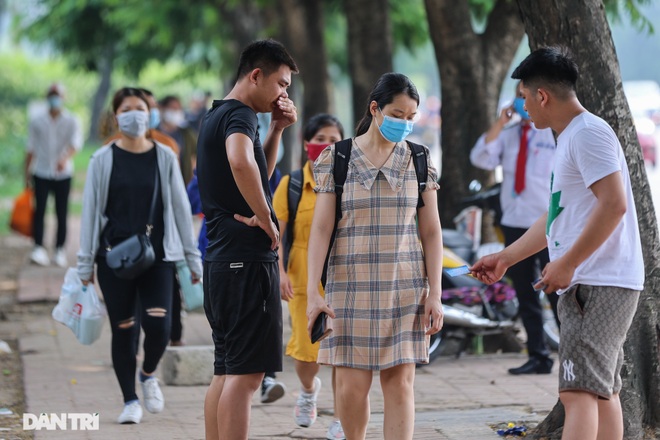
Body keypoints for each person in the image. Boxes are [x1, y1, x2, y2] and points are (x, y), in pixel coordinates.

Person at [471, 46, 643, 440]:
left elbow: (614, 205)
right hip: (599, 281)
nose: (524, 106)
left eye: (526, 97)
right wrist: (506, 257)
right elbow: (555, 216)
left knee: (577, 392)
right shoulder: (571, 138)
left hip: (597, 282)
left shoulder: (587, 134)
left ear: (542, 95)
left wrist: (567, 264)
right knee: (601, 392)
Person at [306, 73, 444, 440]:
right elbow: (320, 231)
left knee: (400, 386)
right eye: (398, 113)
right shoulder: (337, 158)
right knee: (352, 388)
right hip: (349, 288)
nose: (405, 123)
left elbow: (431, 231)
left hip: (405, 288)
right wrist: (313, 293)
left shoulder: (418, 159)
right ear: (375, 109)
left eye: (411, 117)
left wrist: (436, 293)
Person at [77, 87, 203, 425]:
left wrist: (193, 261)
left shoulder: (164, 156)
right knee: (123, 329)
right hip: (113, 259)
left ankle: (148, 374)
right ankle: (129, 399)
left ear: (150, 115)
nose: (135, 114)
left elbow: (179, 208)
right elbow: (90, 214)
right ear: (116, 116)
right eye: (127, 108)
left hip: (158, 256)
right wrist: (85, 264)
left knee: (159, 327)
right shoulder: (102, 159)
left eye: (141, 108)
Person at [196, 39, 298, 440]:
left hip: (223, 262)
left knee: (227, 371)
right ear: (256, 75)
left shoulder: (217, 115)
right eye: (281, 84)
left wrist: (276, 129)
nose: (284, 94)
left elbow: (257, 170)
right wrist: (266, 217)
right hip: (244, 263)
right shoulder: (239, 116)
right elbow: (241, 162)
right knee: (248, 377)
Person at [470, 81, 559, 375]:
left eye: (525, 97)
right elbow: (480, 157)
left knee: (555, 290)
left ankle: (570, 353)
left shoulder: (552, 134)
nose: (521, 102)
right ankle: (538, 355)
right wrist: (500, 122)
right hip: (514, 222)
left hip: (547, 224)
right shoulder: (508, 136)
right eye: (518, 97)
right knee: (525, 293)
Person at [273, 114, 345, 438]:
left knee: (342, 354)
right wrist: (279, 273)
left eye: (333, 140)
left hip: (343, 276)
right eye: (320, 139)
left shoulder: (350, 181)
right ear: (306, 145)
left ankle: (342, 418)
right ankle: (307, 391)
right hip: (302, 278)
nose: (327, 145)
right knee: (306, 351)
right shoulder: (290, 185)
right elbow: (275, 235)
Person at [26, 83, 82, 268]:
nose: (54, 99)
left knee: (61, 211)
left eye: (57, 95)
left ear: (63, 98)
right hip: (41, 171)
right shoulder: (37, 121)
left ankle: (60, 250)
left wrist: (64, 158)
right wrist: (26, 174)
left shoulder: (72, 120)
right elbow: (31, 148)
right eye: (51, 95)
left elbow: (75, 143)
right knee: (39, 211)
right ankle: (38, 248)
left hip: (63, 174)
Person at [158, 95, 197, 185]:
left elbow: (195, 155)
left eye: (179, 109)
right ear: (163, 109)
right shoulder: (154, 134)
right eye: (173, 108)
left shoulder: (187, 133)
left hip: (184, 182)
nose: (176, 112)